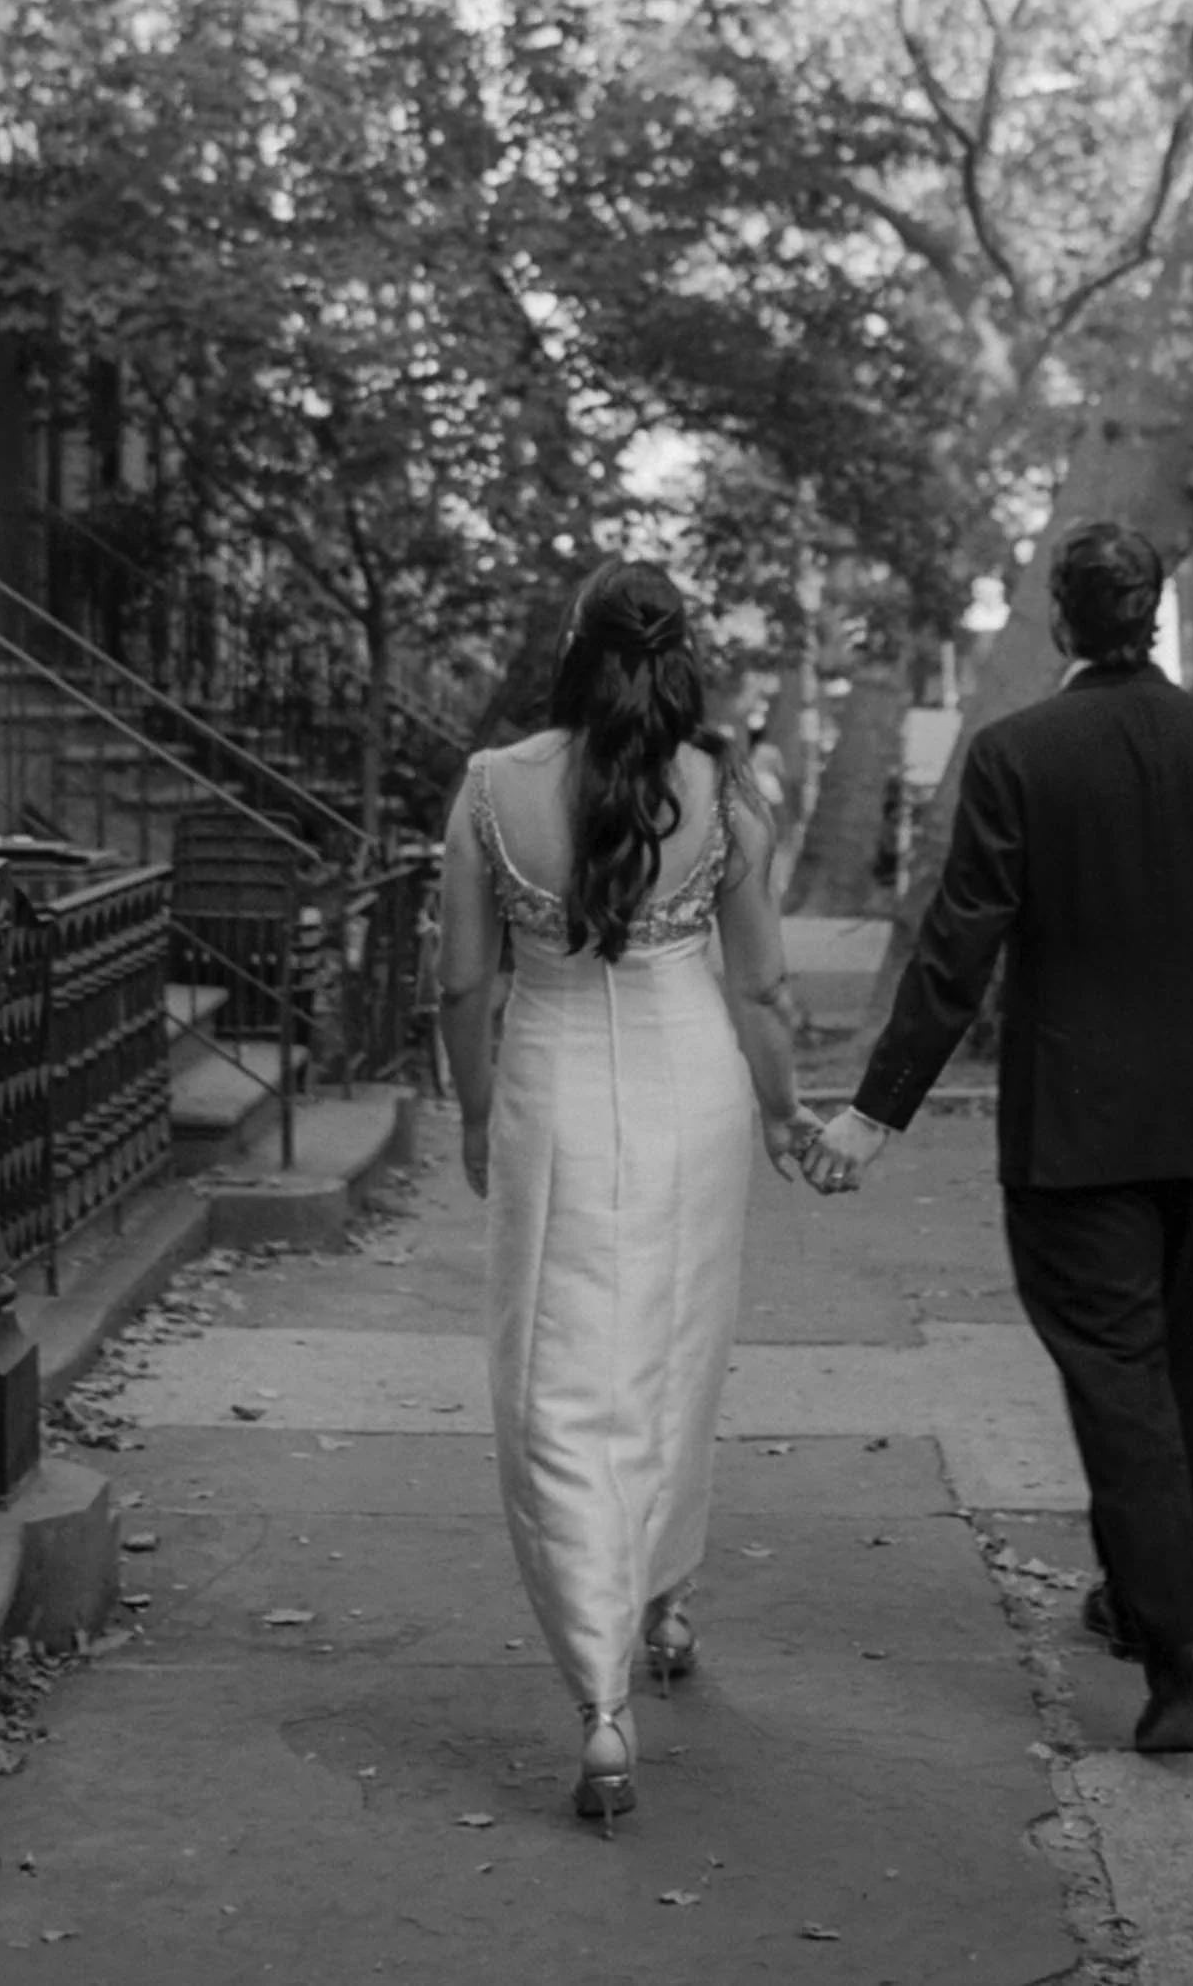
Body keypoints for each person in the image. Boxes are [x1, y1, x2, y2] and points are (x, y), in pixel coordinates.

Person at [805, 522, 1193, 1754]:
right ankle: (1141, 1595)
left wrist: (875, 1111)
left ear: (1059, 618)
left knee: (1120, 1375)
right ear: (1153, 611)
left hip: (1078, 1124)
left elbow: (958, 945)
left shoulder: (1017, 752)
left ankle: (1177, 1641)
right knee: (1180, 1368)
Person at [439, 560, 822, 1822]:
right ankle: (663, 1600)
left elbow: (461, 983)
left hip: (552, 1084)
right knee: (673, 1350)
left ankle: (602, 1700)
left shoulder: (493, 784)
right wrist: (781, 1107)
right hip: (693, 1091)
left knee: (557, 1376)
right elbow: (760, 985)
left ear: (574, 648)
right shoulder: (722, 788)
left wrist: (475, 1107)